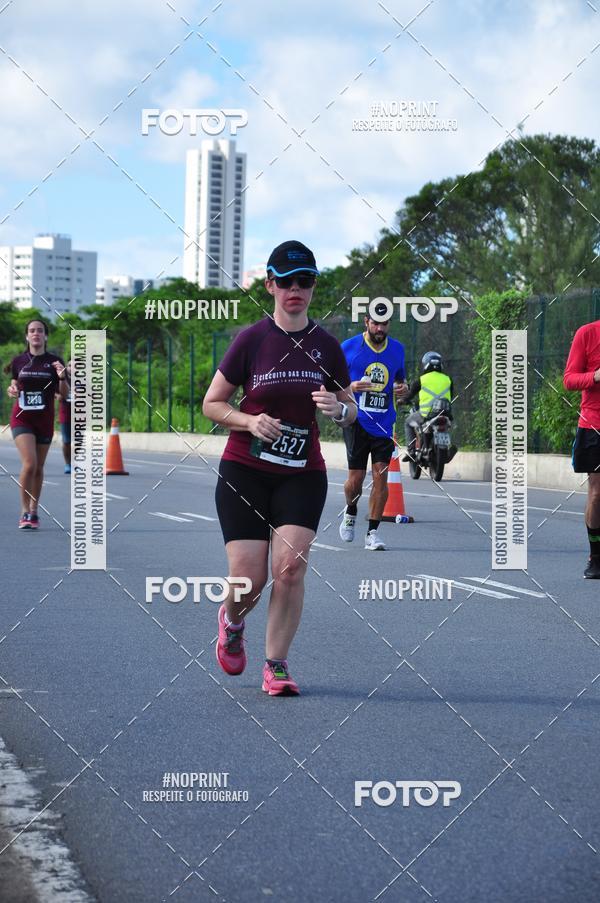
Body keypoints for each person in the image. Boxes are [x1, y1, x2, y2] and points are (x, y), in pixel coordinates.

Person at [203, 240, 357, 696]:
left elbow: (349, 409)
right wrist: (250, 420)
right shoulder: (252, 340)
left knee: (289, 568)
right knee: (251, 579)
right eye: (286, 281)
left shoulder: (326, 346)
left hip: (302, 472)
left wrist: (338, 409)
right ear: (269, 285)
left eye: (304, 281)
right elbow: (212, 404)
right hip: (245, 471)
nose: (295, 289)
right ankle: (232, 621)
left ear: (313, 287)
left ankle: (277, 664)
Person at [338, 304, 407, 550]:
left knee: (381, 478)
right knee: (354, 481)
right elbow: (332, 382)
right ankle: (351, 510)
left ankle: (372, 533)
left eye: (384, 323)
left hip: (385, 423)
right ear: (366, 321)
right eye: (375, 323)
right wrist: (351, 387)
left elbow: (401, 381)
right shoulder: (349, 347)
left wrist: (403, 388)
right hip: (357, 421)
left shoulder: (398, 349)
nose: (380, 328)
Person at [7, 319, 68, 528]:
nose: (36, 334)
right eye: (32, 331)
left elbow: (64, 394)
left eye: (40, 331)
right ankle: (24, 511)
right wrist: (12, 389)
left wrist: (62, 378)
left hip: (44, 418)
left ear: (45, 336)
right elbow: (14, 383)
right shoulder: (19, 361)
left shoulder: (54, 362)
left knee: (39, 467)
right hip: (22, 417)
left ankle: (34, 510)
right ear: (27, 336)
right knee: (30, 463)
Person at [564, 320, 600, 579]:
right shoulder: (587, 333)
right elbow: (569, 379)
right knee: (598, 492)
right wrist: (595, 376)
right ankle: (596, 557)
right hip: (594, 424)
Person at [402, 351, 454, 462]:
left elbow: (410, 395)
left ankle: (411, 451)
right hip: (445, 414)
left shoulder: (422, 379)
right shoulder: (448, 379)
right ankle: (447, 448)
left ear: (425, 364)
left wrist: (403, 400)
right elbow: (451, 396)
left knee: (408, 422)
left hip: (426, 414)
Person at [58, 359, 72, 474]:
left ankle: (76, 463)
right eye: (70, 365)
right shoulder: (62, 378)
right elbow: (53, 391)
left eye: (76, 366)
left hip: (80, 415)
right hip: (65, 413)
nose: (73, 368)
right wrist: (57, 396)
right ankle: (67, 464)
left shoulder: (84, 380)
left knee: (78, 441)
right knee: (67, 441)